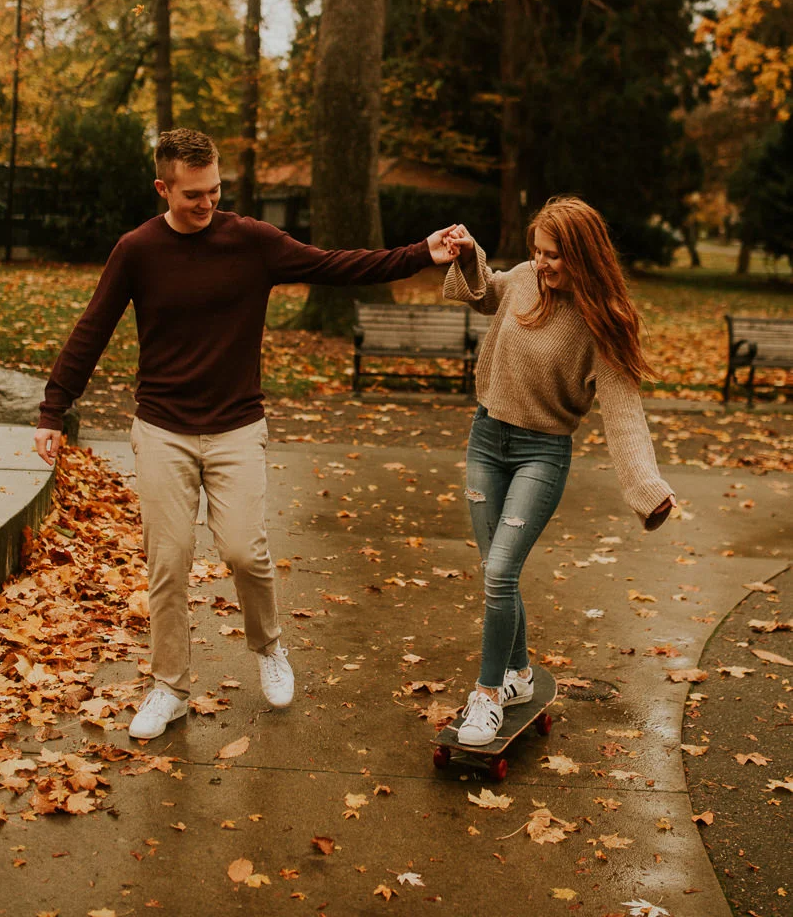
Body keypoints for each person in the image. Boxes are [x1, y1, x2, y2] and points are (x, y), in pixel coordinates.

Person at [34, 127, 461, 739]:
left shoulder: (251, 242)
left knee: (243, 551)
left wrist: (422, 252)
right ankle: (169, 687)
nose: (206, 204)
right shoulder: (137, 250)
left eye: (213, 191)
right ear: (162, 188)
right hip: (162, 429)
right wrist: (54, 409)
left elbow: (337, 266)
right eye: (192, 195)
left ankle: (268, 647)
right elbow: (92, 328)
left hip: (236, 426)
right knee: (169, 562)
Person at [442, 196, 676, 748]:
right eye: (537, 252)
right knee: (497, 573)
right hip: (486, 438)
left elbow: (623, 415)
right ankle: (520, 675)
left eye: (553, 256)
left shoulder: (601, 324)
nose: (541, 264)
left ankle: (487, 696)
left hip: (540, 454)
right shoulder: (525, 279)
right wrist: (470, 252)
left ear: (583, 256)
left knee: (500, 573)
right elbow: (486, 290)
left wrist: (648, 489)